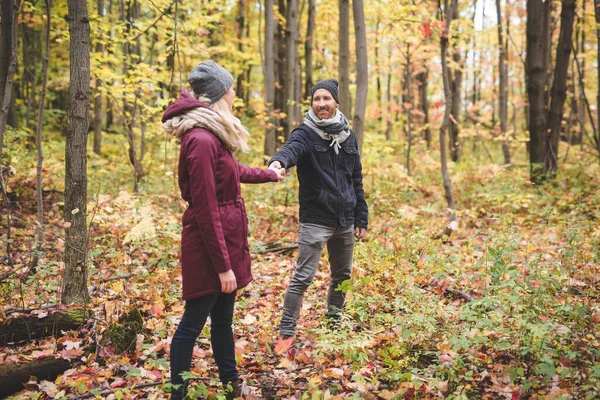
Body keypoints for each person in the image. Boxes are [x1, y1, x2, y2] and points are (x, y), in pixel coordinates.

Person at [162, 61, 285, 400]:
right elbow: (205, 207)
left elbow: (231, 171)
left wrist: (269, 174)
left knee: (223, 322)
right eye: (230, 88)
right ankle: (178, 394)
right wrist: (222, 267)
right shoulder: (200, 140)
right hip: (210, 248)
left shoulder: (214, 135)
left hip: (226, 240)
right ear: (218, 94)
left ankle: (232, 387)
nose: (235, 93)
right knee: (191, 325)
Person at [268, 78, 368, 354]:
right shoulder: (305, 134)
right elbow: (291, 149)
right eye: (316, 99)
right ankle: (286, 334)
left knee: (343, 275)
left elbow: (355, 177)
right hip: (316, 219)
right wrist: (278, 162)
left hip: (345, 219)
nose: (321, 104)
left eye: (326, 99)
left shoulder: (348, 135)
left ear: (336, 102)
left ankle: (334, 323)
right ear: (312, 103)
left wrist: (361, 216)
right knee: (303, 278)